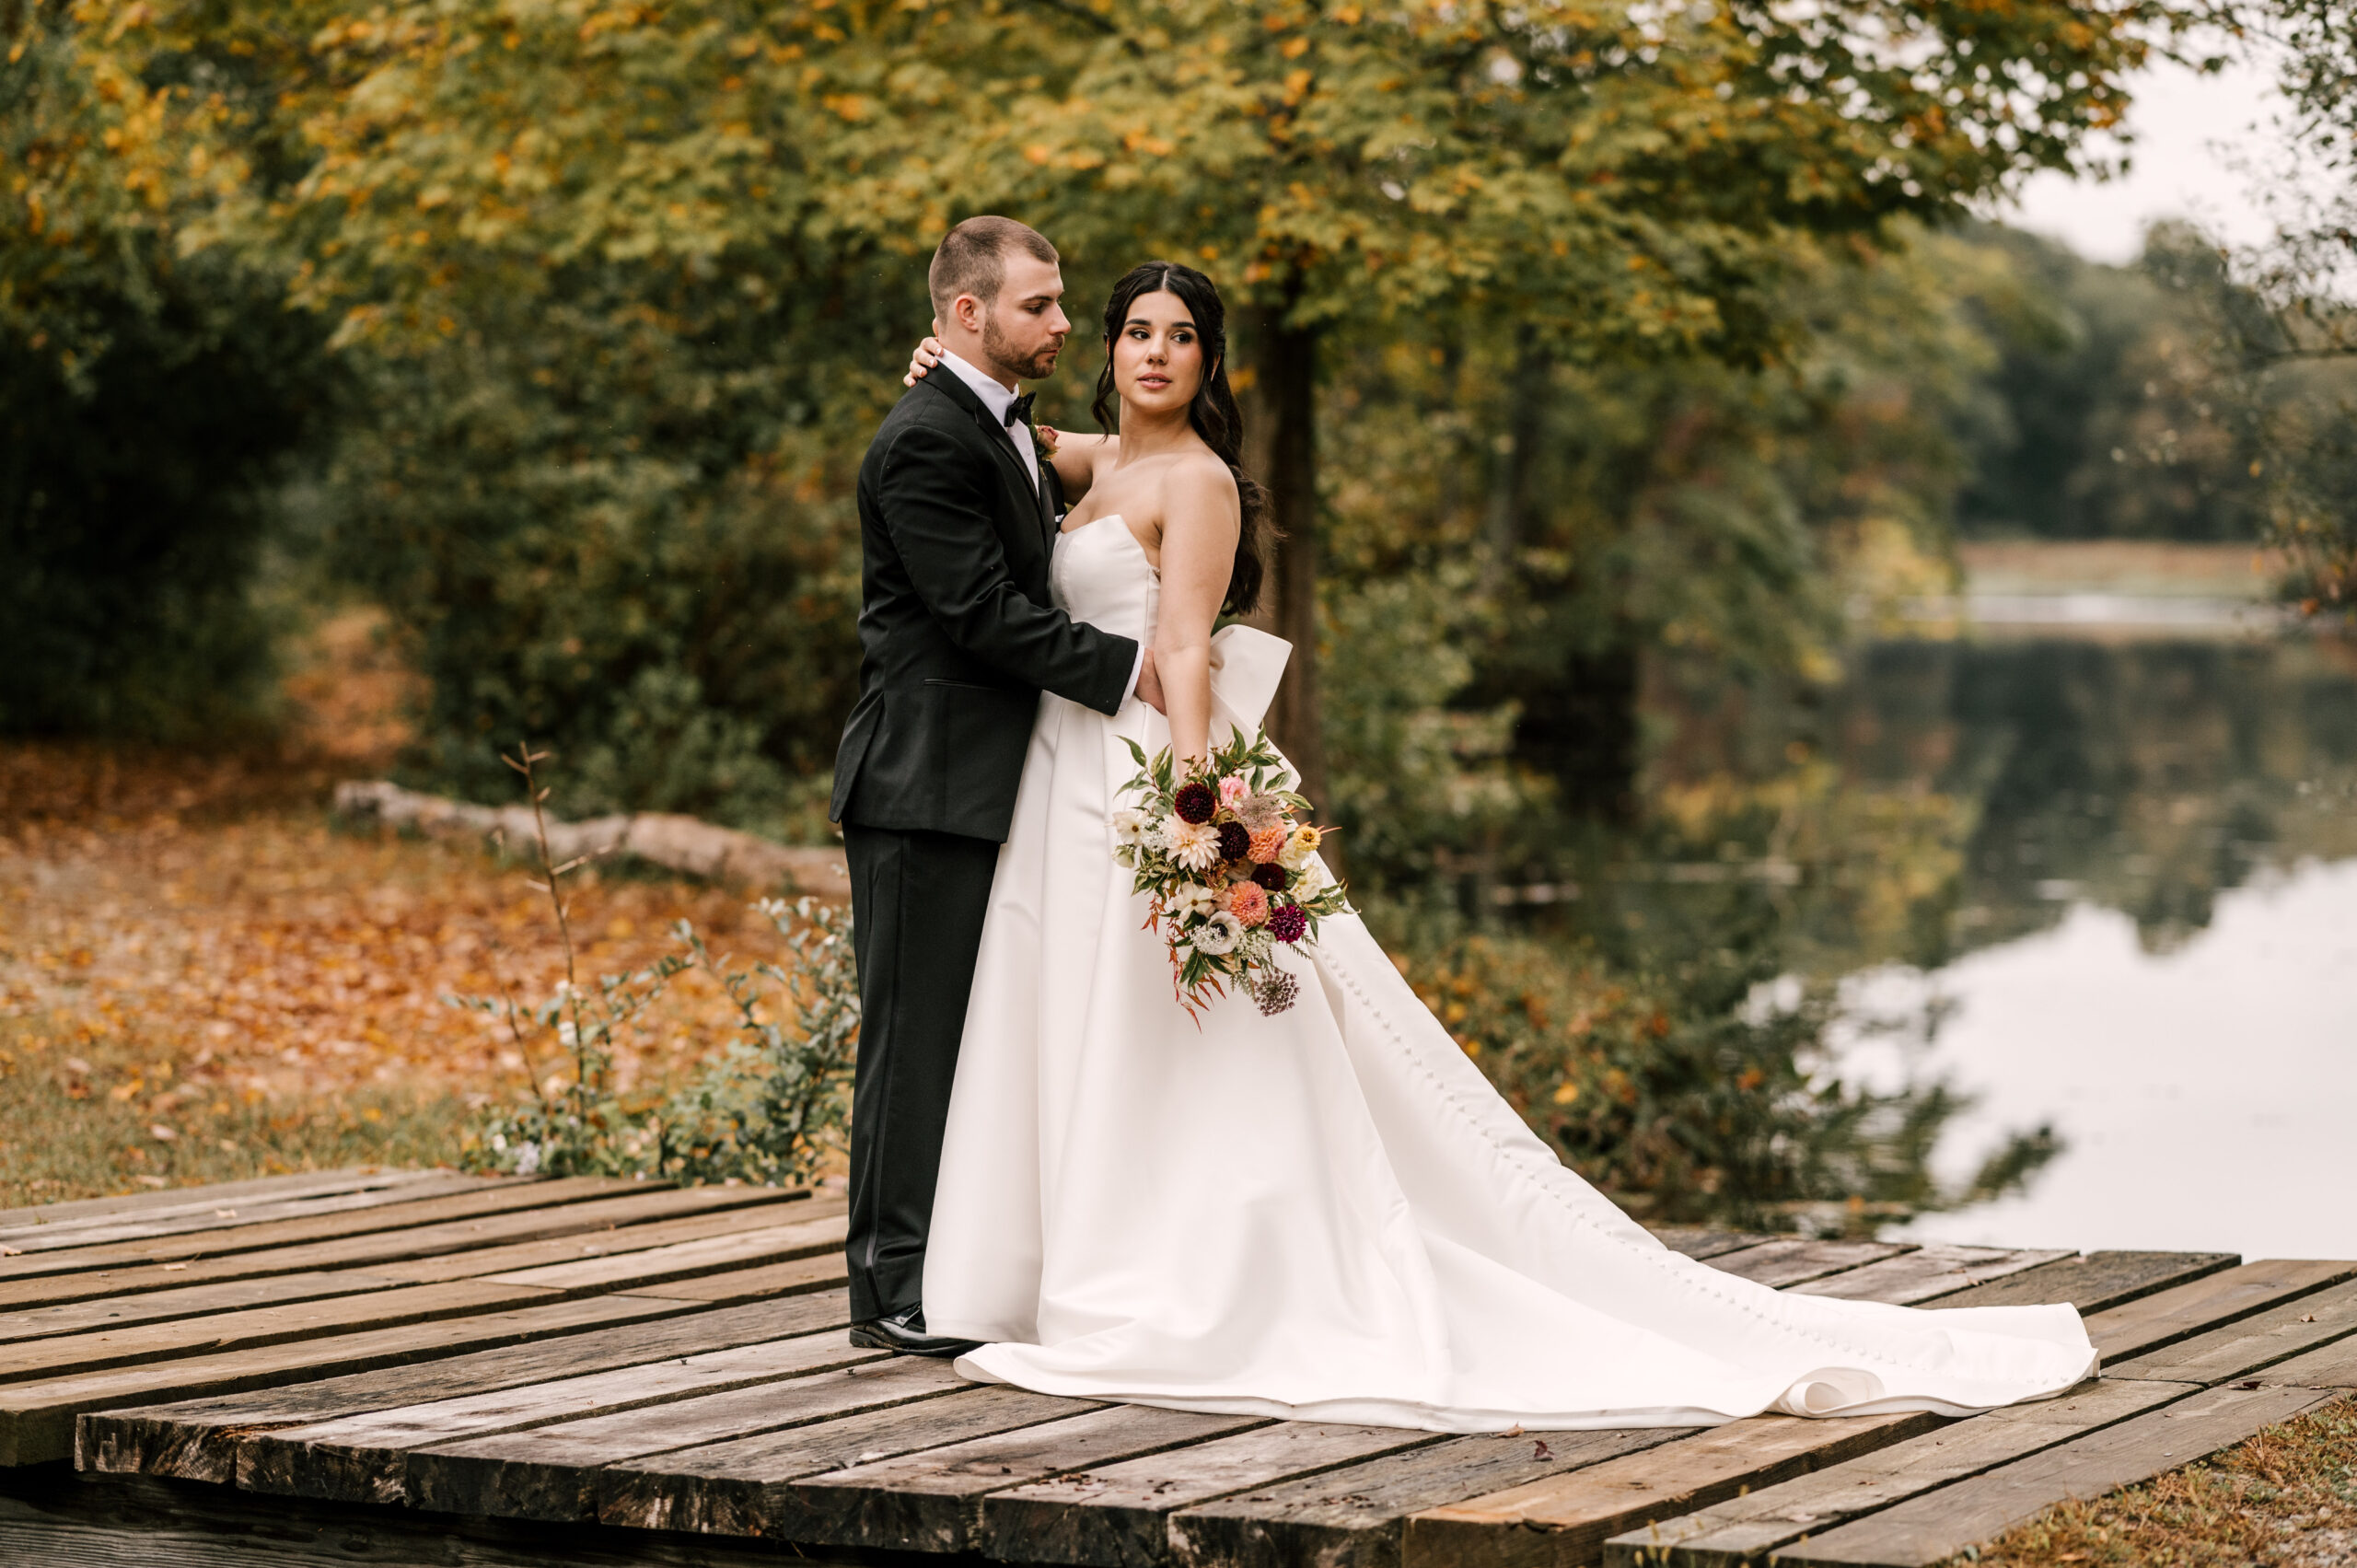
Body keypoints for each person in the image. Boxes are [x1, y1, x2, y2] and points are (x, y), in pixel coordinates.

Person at [892, 259, 2096, 1432]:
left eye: (1181, 335)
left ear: (1210, 361)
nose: (1155, 351)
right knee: (1095, 1018)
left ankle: (1201, 1271)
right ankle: (1088, 1252)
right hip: (1069, 775)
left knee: (1188, 1028)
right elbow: (1023, 441)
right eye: (1137, 330)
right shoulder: (1105, 461)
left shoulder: (1196, 481)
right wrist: (943, 370)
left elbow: (1193, 644)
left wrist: (1201, 807)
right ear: (1112, 348)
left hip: (1152, 770)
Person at [830, 216, 1167, 1356]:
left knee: (970, 1046)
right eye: (1039, 305)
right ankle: (888, 1294)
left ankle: (958, 1271)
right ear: (966, 313)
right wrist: (1139, 672)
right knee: (913, 1045)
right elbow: (980, 615)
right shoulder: (928, 439)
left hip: (993, 782)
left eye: (1065, 301)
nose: (1064, 322)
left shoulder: (998, 421)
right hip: (923, 783)